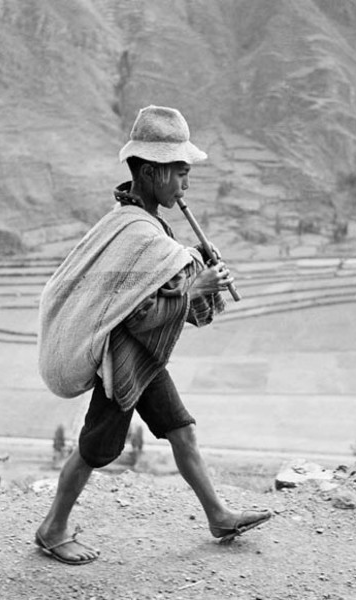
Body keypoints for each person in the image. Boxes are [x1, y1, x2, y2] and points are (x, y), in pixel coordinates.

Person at [35, 105, 271, 565]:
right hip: (121, 365)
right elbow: (139, 316)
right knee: (95, 449)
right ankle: (52, 528)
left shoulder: (142, 228)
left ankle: (218, 514)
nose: (186, 185)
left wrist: (193, 268)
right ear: (149, 172)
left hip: (144, 360)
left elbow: (155, 297)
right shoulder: (138, 234)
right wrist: (195, 285)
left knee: (181, 431)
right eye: (180, 173)